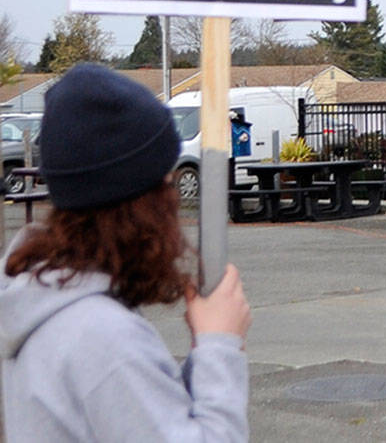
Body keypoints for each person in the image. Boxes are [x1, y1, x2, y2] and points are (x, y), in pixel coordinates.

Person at [1, 63, 251, 441]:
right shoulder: (102, 338)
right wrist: (220, 345)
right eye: (164, 182)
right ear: (141, 204)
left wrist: (202, 354)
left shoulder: (39, 295)